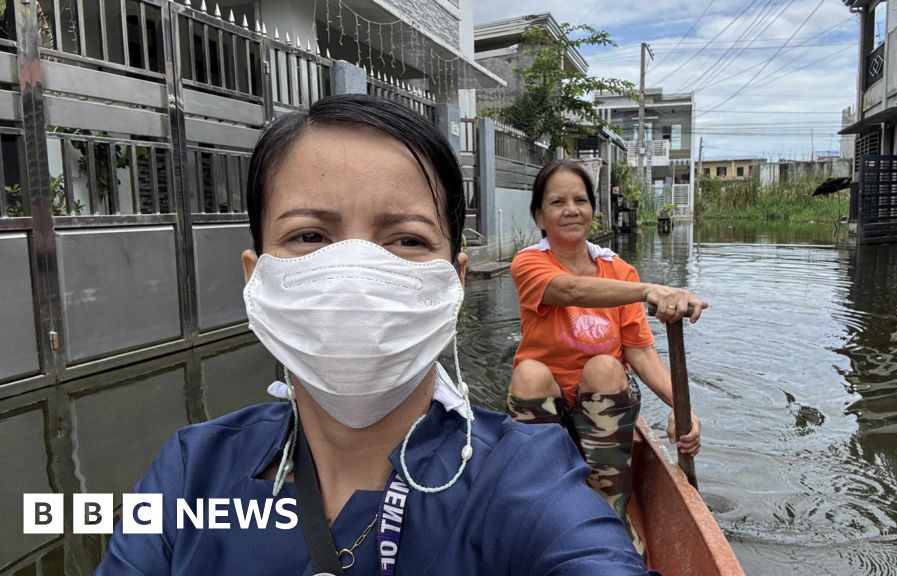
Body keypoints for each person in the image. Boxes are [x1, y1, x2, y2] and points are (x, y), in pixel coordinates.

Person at [96, 96, 655, 575]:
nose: (355, 275)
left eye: (407, 240)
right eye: (310, 235)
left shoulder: (523, 479)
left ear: (454, 284)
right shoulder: (192, 471)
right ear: (256, 278)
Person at [507, 160, 708, 550]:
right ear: (539, 216)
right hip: (549, 402)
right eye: (557, 202)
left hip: (603, 402)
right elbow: (573, 292)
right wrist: (650, 291)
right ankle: (543, 504)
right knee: (529, 371)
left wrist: (682, 407)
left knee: (603, 364)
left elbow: (640, 352)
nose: (571, 210)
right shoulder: (528, 262)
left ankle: (609, 504)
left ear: (592, 211)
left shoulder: (619, 270)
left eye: (580, 200)